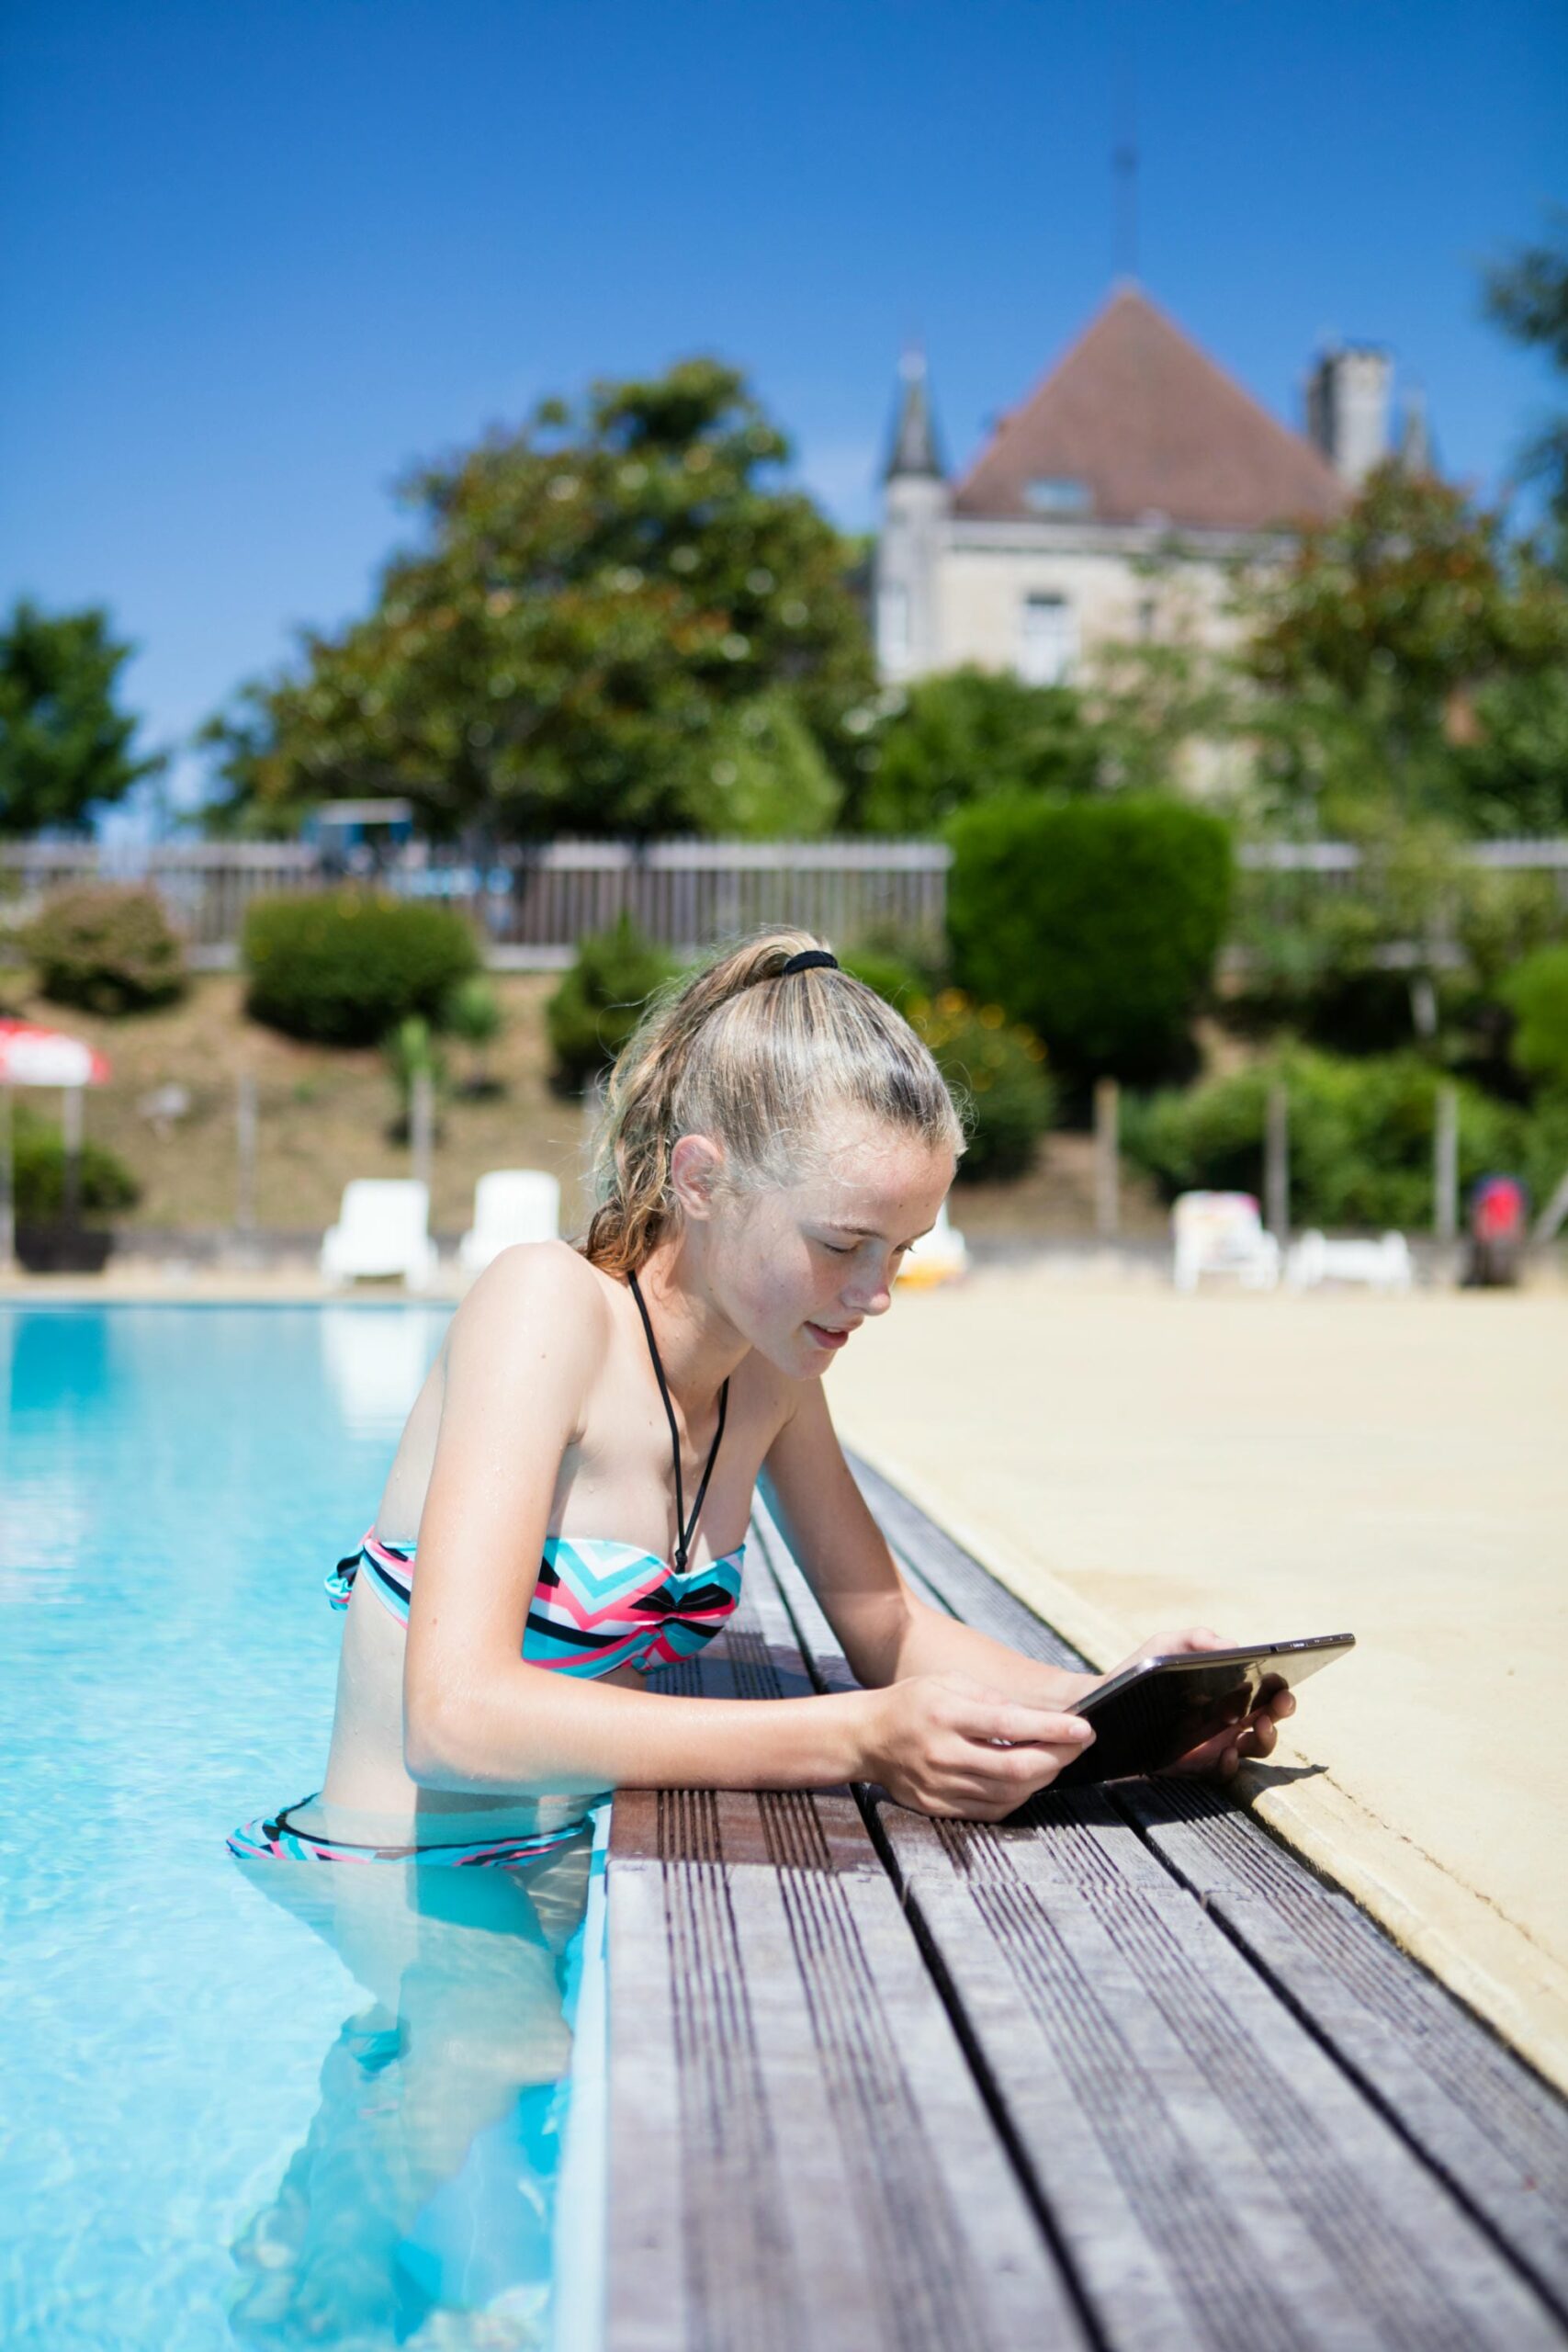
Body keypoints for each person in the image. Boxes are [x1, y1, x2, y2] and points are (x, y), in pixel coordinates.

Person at [232, 928, 1292, 1877]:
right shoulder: (544, 1309)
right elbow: (452, 1717)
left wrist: (1117, 1706)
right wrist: (856, 1739)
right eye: (842, 1244)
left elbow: (890, 1624)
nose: (876, 1294)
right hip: (398, 1884)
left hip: (562, 1864)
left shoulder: (773, 1370)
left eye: (901, 1251)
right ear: (700, 1180)